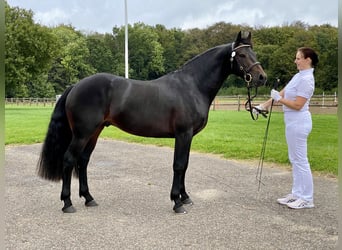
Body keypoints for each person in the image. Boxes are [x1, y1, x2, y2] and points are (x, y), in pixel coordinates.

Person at [256, 47, 319, 209]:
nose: (295, 61)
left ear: (308, 60)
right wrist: (265, 105)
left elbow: (298, 105)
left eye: (298, 58)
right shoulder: (298, 76)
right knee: (294, 159)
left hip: (299, 121)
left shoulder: (307, 80)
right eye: (296, 58)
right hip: (291, 122)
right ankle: (297, 194)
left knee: (301, 160)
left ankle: (307, 198)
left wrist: (279, 99)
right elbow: (282, 93)